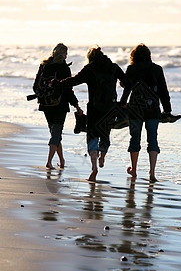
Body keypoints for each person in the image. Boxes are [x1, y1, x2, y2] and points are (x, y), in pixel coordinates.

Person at [56, 46, 131, 181]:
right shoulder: (114, 67)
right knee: (105, 134)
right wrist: (123, 101)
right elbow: (128, 84)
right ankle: (102, 156)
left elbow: (74, 81)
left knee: (92, 136)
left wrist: (58, 83)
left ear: (90, 58)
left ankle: (94, 167)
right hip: (110, 108)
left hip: (94, 108)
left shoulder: (89, 69)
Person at [120, 43, 172, 182]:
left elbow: (126, 87)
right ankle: (152, 172)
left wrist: (123, 103)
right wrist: (167, 109)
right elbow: (163, 90)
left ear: (134, 56)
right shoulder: (157, 69)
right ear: (149, 56)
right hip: (153, 109)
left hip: (135, 109)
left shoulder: (132, 68)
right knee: (153, 140)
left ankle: (134, 171)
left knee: (134, 139)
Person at [33, 43, 82, 169]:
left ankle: (61, 160)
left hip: (46, 104)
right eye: (66, 53)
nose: (67, 56)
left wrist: (43, 95)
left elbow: (35, 86)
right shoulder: (64, 68)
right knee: (56, 133)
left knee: (55, 133)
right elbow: (68, 90)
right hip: (60, 105)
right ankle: (49, 162)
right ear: (63, 54)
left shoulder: (44, 65)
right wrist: (76, 106)